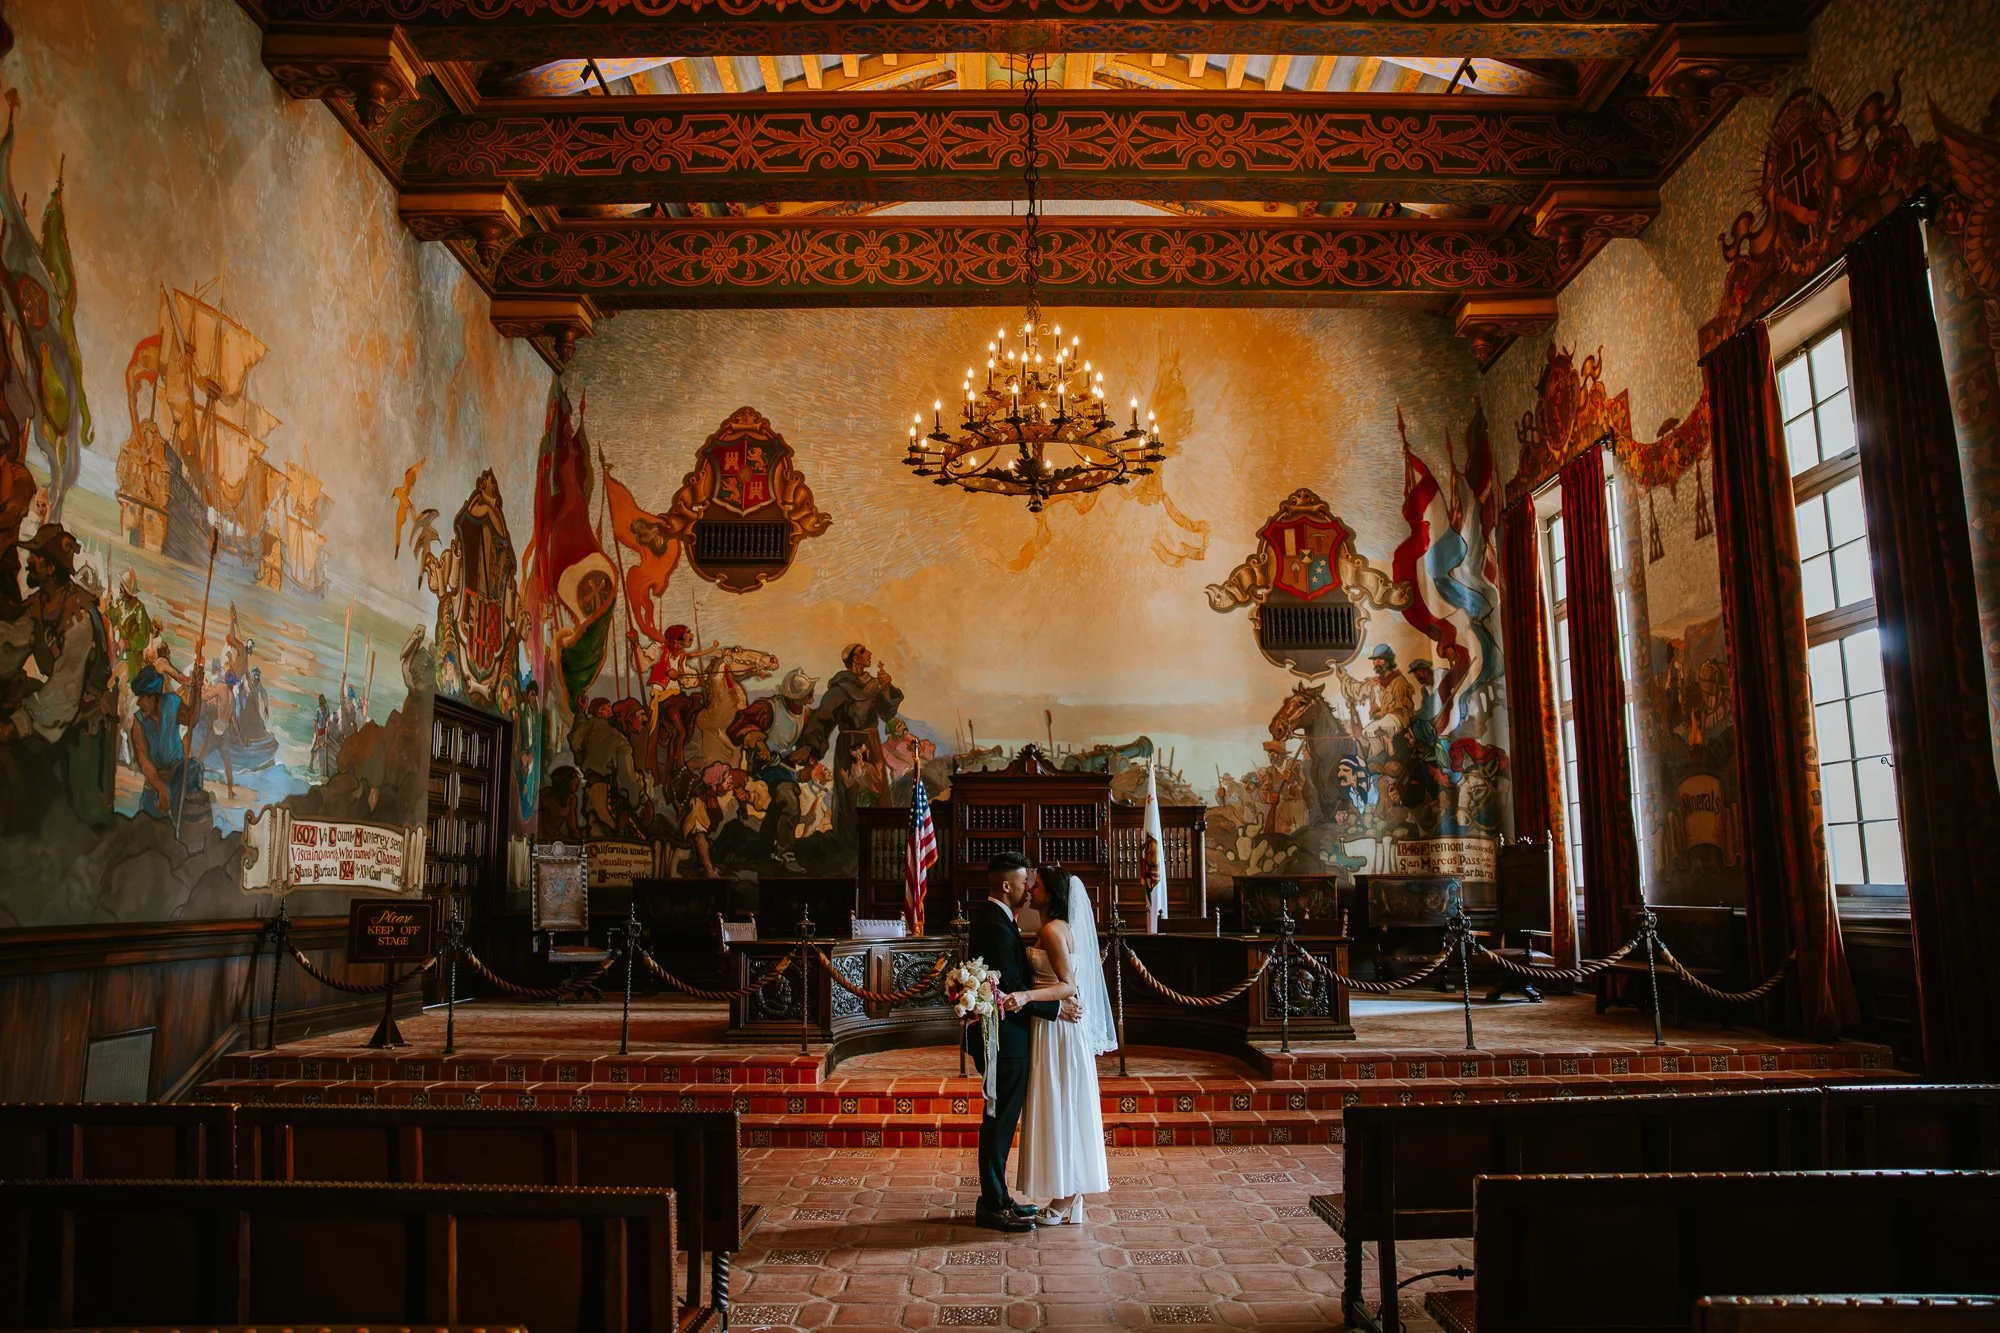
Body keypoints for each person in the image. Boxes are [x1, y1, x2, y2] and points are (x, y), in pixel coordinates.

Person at [965, 851, 1082, 1233]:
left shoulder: (1002, 921)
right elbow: (1009, 988)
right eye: (1022, 882)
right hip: (1002, 1040)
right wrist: (1054, 1011)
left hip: (1011, 1037)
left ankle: (999, 1199)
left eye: (1033, 883)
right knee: (997, 1123)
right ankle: (992, 1206)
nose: (1028, 889)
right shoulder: (994, 925)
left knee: (1002, 1122)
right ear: (1005, 885)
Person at [1011, 865, 1114, 1224]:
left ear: (1051, 895)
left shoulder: (1054, 930)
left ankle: (1066, 1195)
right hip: (1051, 1026)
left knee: (1061, 1105)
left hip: (1057, 1030)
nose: (1030, 890)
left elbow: (1068, 986)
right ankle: (1069, 1192)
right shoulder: (1052, 928)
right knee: (1059, 1104)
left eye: (1035, 886)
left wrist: (1025, 996)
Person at [129, 661, 203, 819]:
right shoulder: (138, 722)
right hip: (155, 783)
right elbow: (145, 764)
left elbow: (192, 719)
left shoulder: (171, 703)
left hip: (177, 777)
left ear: (154, 697)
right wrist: (161, 789)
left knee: (194, 767)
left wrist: (197, 690)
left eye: (143, 697)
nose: (138, 702)